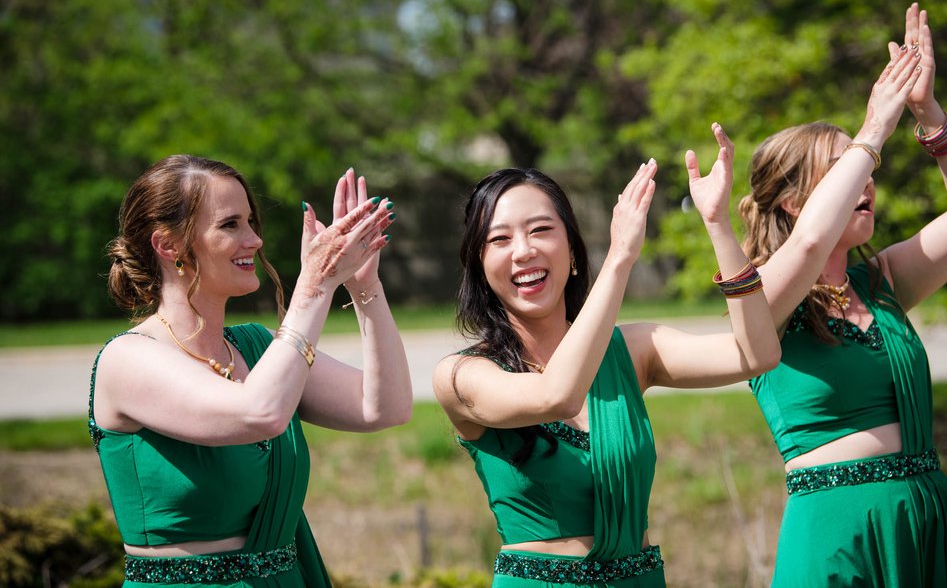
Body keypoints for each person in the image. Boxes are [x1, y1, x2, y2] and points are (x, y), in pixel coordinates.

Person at [433, 131, 782, 587]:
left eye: (540, 230)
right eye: (499, 239)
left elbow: (758, 353)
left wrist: (717, 225)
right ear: (479, 267)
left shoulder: (633, 351)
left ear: (574, 254)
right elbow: (556, 394)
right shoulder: (461, 375)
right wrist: (619, 259)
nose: (524, 251)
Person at [739, 3, 947, 586]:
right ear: (793, 201)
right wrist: (872, 129)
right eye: (846, 171)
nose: (868, 179)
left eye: (866, 167)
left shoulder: (879, 283)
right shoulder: (763, 297)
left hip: (927, 521)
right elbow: (806, 248)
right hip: (838, 534)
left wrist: (927, 112)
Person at [90, 158, 413, 586]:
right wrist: (314, 285)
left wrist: (363, 284)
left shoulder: (259, 348)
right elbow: (260, 413)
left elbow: (385, 407)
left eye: (250, 222)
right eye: (231, 225)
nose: (255, 240)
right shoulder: (128, 359)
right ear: (168, 246)